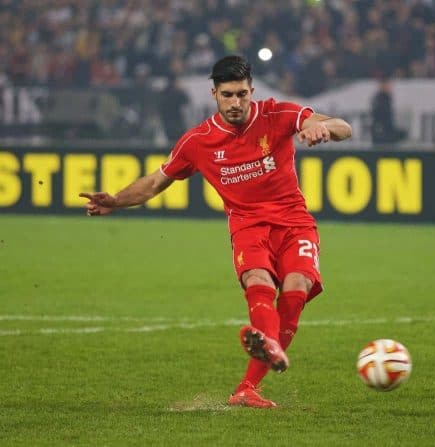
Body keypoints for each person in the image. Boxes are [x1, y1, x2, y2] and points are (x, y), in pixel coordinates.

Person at [79, 55, 352, 408]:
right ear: (214, 95)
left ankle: (248, 384)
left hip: (294, 222)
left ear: (252, 91)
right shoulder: (198, 142)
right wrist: (115, 200)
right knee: (260, 282)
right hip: (248, 226)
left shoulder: (278, 114)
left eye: (242, 94)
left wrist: (324, 127)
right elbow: (155, 183)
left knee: (297, 287)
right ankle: (266, 353)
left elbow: (344, 126)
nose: (236, 102)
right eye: (228, 95)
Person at [370, 77, 406, 148]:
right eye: (388, 85)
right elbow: (379, 118)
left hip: (385, 131)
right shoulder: (380, 99)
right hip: (382, 132)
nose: (390, 87)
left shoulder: (385, 98)